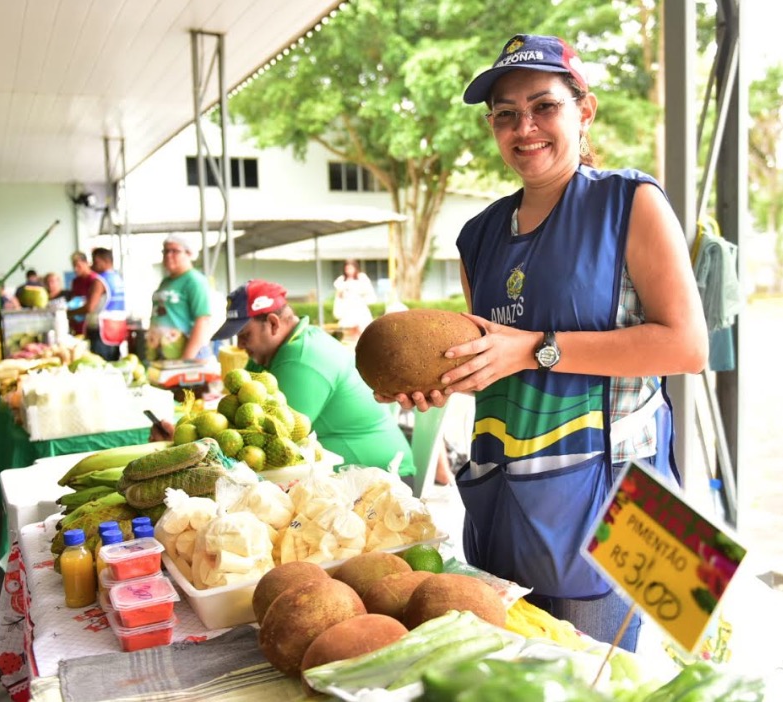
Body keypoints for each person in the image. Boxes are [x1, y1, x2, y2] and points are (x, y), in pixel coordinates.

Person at [384, 35, 708, 652]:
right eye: (505, 114)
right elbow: (493, 357)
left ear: (583, 110)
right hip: (506, 501)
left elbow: (687, 346)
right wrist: (442, 379)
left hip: (625, 509)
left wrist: (537, 347)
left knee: (609, 686)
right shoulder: (477, 236)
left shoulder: (630, 200)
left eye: (543, 106)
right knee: (512, 679)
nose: (523, 127)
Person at [212, 279, 415, 477]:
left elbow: (272, 442)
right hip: (341, 479)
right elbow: (236, 408)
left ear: (273, 324)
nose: (239, 345)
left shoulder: (301, 358)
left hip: (384, 481)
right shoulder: (268, 353)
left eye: (245, 335)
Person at [147, 234, 213, 362]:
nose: (168, 255)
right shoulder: (166, 282)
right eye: (165, 251)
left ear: (189, 253)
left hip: (188, 355)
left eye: (174, 251)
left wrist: (185, 360)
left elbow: (202, 321)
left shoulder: (195, 281)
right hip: (167, 353)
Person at [81, 248, 126, 361]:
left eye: (94, 261)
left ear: (100, 261)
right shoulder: (118, 278)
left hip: (101, 332)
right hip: (117, 330)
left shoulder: (100, 280)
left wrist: (69, 312)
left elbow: (89, 307)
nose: (92, 265)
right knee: (114, 365)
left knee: (101, 368)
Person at [332, 259, 376, 339]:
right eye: (347, 269)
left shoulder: (361, 278)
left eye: (351, 268)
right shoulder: (341, 280)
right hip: (348, 307)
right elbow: (339, 296)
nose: (349, 271)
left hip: (359, 306)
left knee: (362, 327)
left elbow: (368, 291)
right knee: (352, 329)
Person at [67, 251, 98, 336]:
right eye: (74, 266)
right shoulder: (75, 282)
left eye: (78, 266)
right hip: (77, 324)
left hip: (91, 324)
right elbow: (74, 300)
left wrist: (71, 313)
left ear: (86, 263)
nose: (76, 269)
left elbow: (92, 306)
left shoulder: (95, 280)